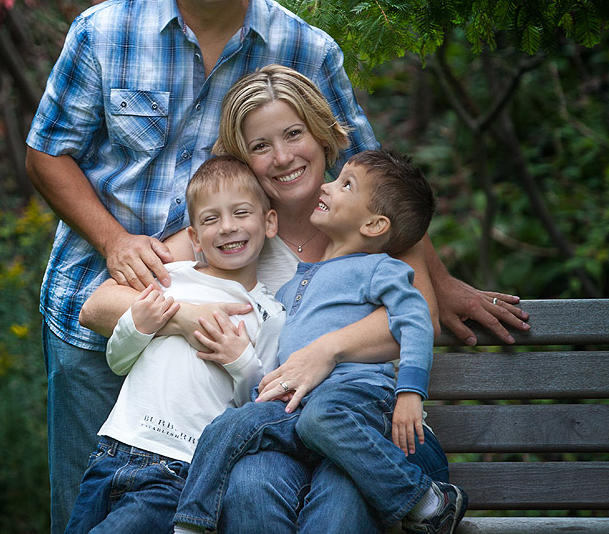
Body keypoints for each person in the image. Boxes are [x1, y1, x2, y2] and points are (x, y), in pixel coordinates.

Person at [25, 0, 527, 533]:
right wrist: (114, 241)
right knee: (93, 511)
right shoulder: (104, 32)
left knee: (198, 495)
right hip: (107, 301)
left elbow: (374, 185)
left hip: (228, 333)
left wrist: (438, 282)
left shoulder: (303, 48)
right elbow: (47, 151)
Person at [172, 149, 469, 534]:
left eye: (346, 184)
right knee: (231, 424)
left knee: (320, 418)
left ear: (374, 225)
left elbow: (414, 319)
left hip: (358, 401)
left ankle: (426, 502)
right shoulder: (295, 282)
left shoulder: (379, 268)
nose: (328, 186)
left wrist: (411, 390)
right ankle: (192, 524)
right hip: (300, 409)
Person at [65, 156, 287, 534]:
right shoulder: (170, 281)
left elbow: (257, 406)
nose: (228, 227)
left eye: (241, 213)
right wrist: (140, 324)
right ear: (195, 238)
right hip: (114, 448)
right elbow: (119, 362)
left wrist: (240, 360)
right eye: (211, 219)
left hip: (178, 466)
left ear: (269, 222)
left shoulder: (269, 314)